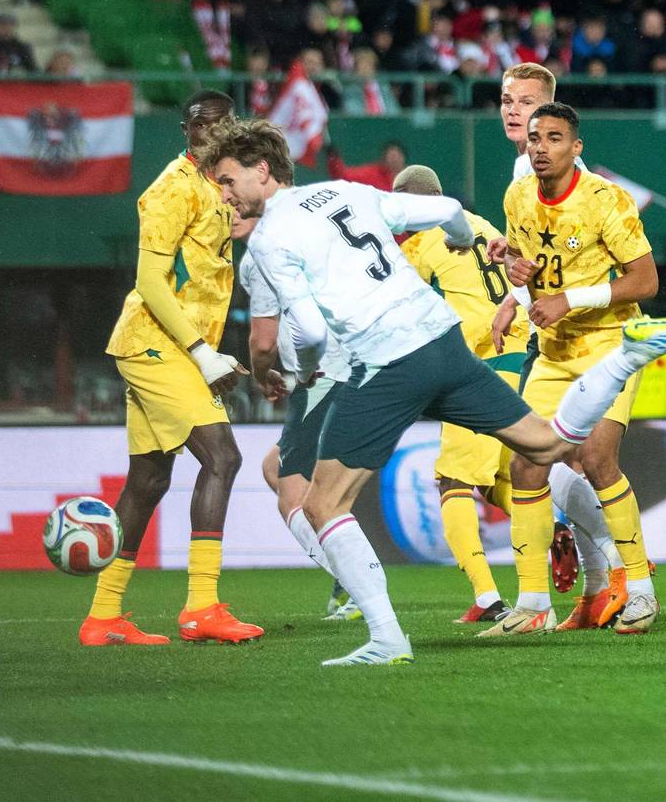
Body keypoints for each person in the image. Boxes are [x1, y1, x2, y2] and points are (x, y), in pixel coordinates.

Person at [197, 117, 666, 665]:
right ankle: (628, 357)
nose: (224, 194)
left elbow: (312, 332)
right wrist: (465, 239)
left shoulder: (269, 240)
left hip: (387, 361)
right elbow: (445, 210)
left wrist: (300, 368)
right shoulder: (345, 192)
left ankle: (386, 638)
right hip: (445, 342)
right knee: (547, 445)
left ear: (261, 170)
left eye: (227, 180)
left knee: (322, 503)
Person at [79, 91, 262, 647]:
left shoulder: (218, 187)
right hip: (157, 344)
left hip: (172, 346)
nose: (210, 133)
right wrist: (202, 353)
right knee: (223, 457)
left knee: (149, 480)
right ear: (186, 130)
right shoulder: (172, 188)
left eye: (221, 124)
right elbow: (150, 282)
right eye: (201, 125)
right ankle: (201, 606)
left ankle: (103, 616)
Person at [500, 102, 659, 635]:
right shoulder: (518, 196)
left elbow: (645, 281)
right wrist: (516, 278)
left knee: (596, 458)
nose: (541, 147)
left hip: (609, 346)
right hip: (553, 353)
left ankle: (640, 591)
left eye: (554, 137)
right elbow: (522, 264)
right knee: (525, 464)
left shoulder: (604, 199)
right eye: (535, 138)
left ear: (576, 147)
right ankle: (531, 604)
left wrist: (571, 299)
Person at [394, 163, 527, 623]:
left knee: (454, 482)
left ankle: (488, 597)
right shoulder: (482, 225)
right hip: (523, 363)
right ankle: (568, 533)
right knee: (501, 482)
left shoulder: (418, 246)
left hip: (479, 371)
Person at [235, 211, 359, 621]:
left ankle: (354, 582)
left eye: (234, 199)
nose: (228, 210)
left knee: (294, 492)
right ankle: (350, 578)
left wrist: (260, 374)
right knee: (278, 468)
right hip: (341, 370)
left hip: (323, 376)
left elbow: (263, 341)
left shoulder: (260, 254)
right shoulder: (302, 236)